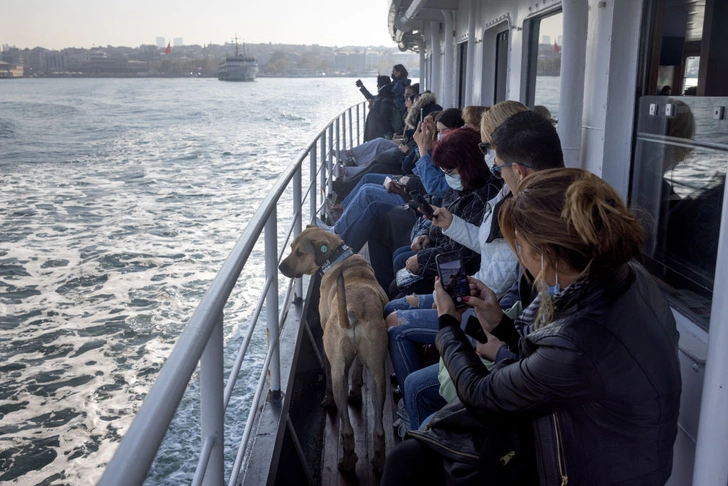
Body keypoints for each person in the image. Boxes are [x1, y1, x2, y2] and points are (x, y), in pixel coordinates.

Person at [381, 168, 682, 485]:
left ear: (549, 254)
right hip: (579, 434)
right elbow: (552, 362)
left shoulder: (584, 339)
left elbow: (482, 396)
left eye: (521, 246)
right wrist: (501, 324)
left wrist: (447, 325)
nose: (518, 255)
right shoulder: (617, 276)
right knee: (412, 458)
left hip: (587, 468)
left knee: (409, 462)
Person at [386, 107, 567, 429]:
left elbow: (488, 386)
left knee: (414, 372)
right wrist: (451, 223)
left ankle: (423, 430)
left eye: (488, 150)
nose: (487, 160)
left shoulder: (525, 210)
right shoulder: (507, 196)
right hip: (493, 308)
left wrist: (451, 323)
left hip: (486, 307)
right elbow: (493, 256)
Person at [359, 75, 400, 142]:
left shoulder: (384, 100)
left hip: (379, 136)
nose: (376, 86)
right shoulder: (387, 96)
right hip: (381, 135)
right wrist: (362, 87)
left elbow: (382, 119)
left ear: (380, 85)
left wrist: (371, 109)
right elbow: (371, 98)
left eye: (377, 84)